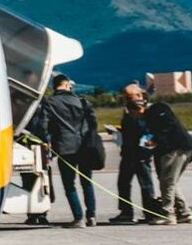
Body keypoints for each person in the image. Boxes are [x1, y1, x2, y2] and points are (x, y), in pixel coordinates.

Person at [27, 74, 101, 226]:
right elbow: (93, 123)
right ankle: (91, 215)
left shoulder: (50, 102)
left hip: (64, 147)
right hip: (85, 146)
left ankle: (78, 217)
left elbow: (43, 125)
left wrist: (47, 142)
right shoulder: (82, 101)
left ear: (55, 86)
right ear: (68, 85)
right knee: (87, 182)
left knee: (69, 184)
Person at [143, 90, 192, 225]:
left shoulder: (158, 108)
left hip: (177, 148)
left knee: (167, 181)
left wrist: (154, 140)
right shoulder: (145, 118)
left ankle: (167, 213)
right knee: (170, 181)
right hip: (172, 150)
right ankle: (184, 212)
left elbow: (168, 126)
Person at [108, 84, 160, 223]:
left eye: (129, 97)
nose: (127, 100)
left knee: (145, 183)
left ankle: (150, 211)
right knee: (123, 183)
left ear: (139, 95)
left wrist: (145, 150)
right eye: (126, 97)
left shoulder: (147, 110)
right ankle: (126, 212)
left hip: (141, 152)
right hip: (128, 152)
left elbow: (149, 131)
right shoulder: (128, 110)